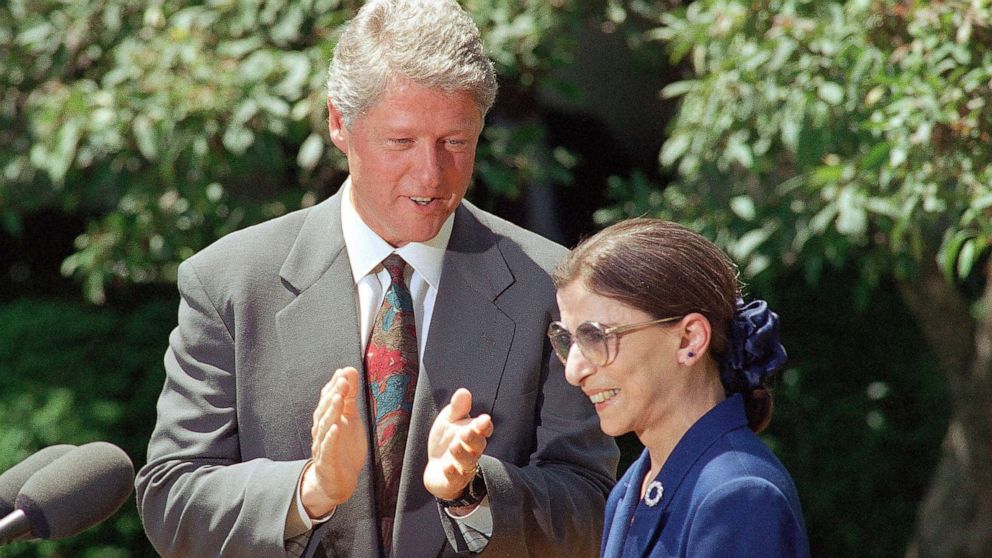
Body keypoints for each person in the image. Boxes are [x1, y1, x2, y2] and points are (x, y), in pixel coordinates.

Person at [133, 1, 618, 557]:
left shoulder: (552, 290)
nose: (431, 174)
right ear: (339, 122)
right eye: (401, 142)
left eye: (455, 142)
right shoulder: (228, 283)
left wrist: (474, 495)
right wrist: (308, 491)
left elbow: (591, 505)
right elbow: (171, 499)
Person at [549, 218, 810, 557]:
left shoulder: (739, 495)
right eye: (567, 340)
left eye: (597, 337)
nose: (574, 371)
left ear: (690, 339)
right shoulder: (631, 487)